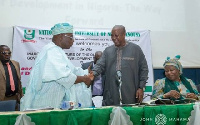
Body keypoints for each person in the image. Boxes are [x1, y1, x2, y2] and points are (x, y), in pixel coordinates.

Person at [20, 23, 93, 111]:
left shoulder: (57, 51)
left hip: (54, 104)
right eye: (71, 37)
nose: (73, 41)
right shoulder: (51, 51)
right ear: (61, 36)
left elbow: (71, 70)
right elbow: (65, 77)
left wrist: (86, 72)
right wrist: (84, 79)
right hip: (45, 105)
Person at [91, 25, 149, 106]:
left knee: (130, 116)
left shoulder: (135, 49)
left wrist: (141, 88)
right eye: (112, 35)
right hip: (111, 92)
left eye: (116, 35)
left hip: (131, 91)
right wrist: (93, 73)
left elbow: (144, 69)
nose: (114, 38)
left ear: (124, 34)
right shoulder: (108, 51)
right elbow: (100, 65)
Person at [0, 45, 23, 110]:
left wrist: (21, 96)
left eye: (9, 53)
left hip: (15, 98)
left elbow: (18, 81)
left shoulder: (16, 64)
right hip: (2, 98)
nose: (7, 55)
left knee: (15, 118)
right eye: (4, 53)